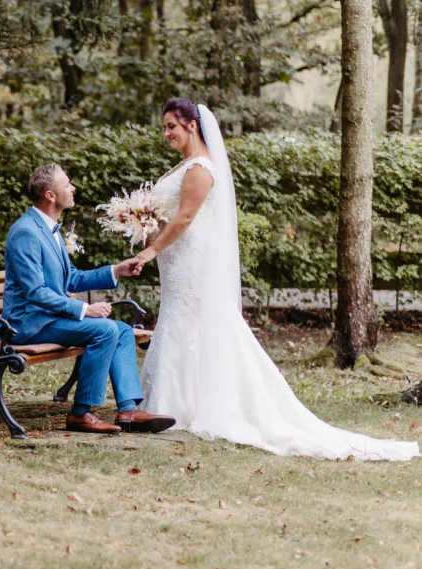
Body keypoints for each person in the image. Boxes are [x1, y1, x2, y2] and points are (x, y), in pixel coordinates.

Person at [133, 98, 419, 461]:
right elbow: (169, 214)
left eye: (171, 126)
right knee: (180, 320)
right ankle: (169, 402)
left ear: (192, 125)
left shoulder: (201, 168)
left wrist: (150, 250)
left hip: (191, 258)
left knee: (196, 322)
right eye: (164, 127)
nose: (166, 133)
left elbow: (186, 217)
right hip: (177, 260)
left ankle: (192, 404)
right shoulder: (185, 164)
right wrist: (141, 224)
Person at [0, 164, 176, 434]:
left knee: (122, 330)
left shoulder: (49, 229)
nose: (73, 188)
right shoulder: (26, 231)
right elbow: (35, 292)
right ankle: (80, 413)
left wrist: (116, 270)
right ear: (50, 195)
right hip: (27, 323)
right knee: (104, 330)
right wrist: (84, 309)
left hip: (49, 318)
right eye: (67, 184)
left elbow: (71, 278)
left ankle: (128, 409)